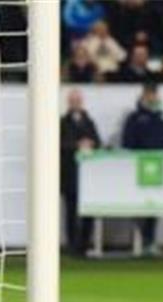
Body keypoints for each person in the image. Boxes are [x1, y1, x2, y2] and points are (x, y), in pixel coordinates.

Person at [121, 82, 163, 256]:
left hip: (158, 169)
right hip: (138, 169)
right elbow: (127, 142)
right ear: (144, 95)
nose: (152, 97)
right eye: (149, 93)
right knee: (138, 206)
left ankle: (149, 240)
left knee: (154, 205)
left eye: (154, 93)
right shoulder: (134, 117)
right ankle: (139, 240)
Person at [60, 89, 101, 256]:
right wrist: (77, 145)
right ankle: (72, 245)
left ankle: (84, 244)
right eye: (73, 100)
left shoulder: (89, 122)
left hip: (88, 176)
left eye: (78, 100)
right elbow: (58, 144)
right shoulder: (62, 122)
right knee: (71, 211)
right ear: (69, 102)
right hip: (70, 174)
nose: (76, 103)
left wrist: (90, 143)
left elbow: (98, 142)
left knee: (88, 211)